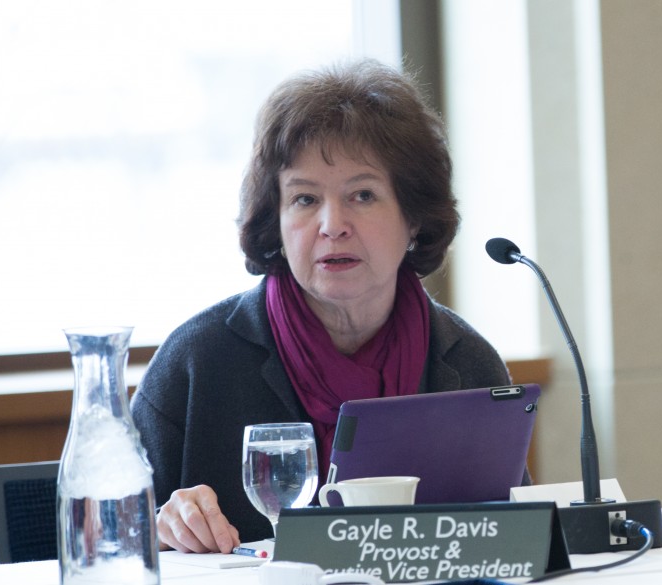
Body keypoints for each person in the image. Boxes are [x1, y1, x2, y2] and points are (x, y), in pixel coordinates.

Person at [129, 59, 511, 554]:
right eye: (306, 200)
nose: (333, 224)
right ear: (277, 219)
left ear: (414, 217)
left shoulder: (466, 362)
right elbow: (108, 539)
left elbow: (509, 541)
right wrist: (162, 525)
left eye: (363, 194)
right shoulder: (196, 363)